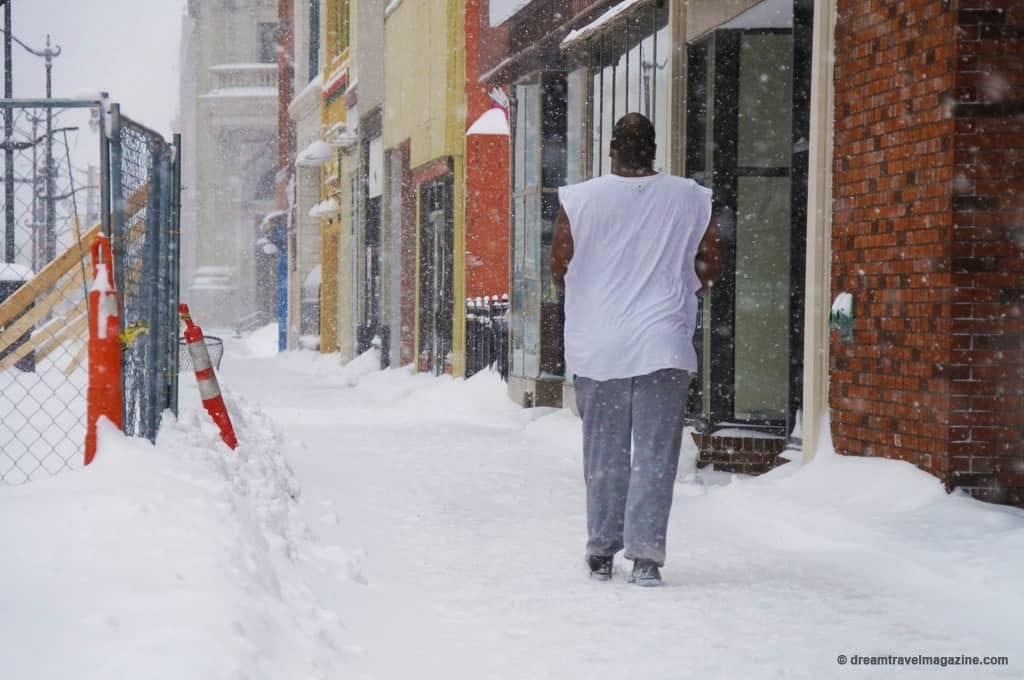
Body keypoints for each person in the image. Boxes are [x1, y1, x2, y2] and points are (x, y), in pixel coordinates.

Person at [551, 112, 723, 586]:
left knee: (604, 453)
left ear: (612, 149)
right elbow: (713, 260)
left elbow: (558, 265)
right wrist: (687, 288)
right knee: (655, 454)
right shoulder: (690, 197)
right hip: (663, 342)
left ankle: (601, 552)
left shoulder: (580, 199)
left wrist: (592, 291)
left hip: (599, 344)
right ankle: (645, 557)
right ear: (653, 150)